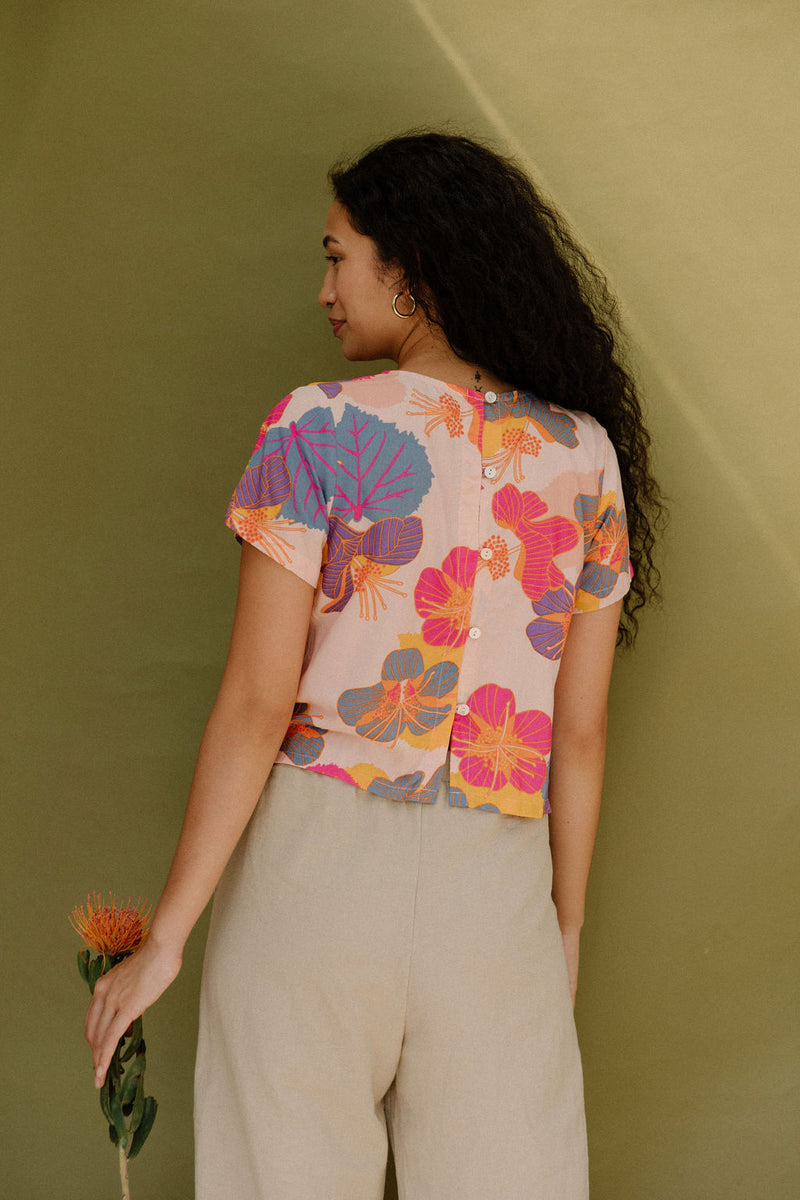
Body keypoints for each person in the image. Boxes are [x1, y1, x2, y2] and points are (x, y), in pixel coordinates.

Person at [84, 131, 661, 1198]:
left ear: (414, 267)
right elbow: (576, 737)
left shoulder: (318, 428)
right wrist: (561, 931)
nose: (323, 290)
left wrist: (168, 936)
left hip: (314, 870)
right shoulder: (582, 456)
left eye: (338, 257)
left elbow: (259, 705)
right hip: (496, 885)